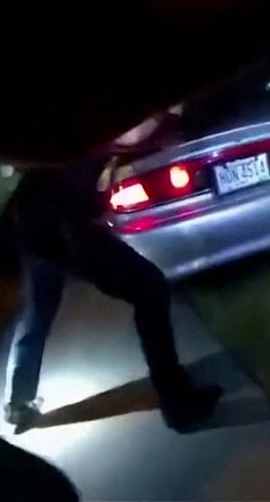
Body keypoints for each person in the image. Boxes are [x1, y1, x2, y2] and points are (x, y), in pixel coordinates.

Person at [2, 107, 221, 434]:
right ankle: (179, 406)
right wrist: (168, 114)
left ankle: (19, 402)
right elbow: (128, 135)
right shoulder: (102, 119)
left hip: (36, 223)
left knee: (40, 308)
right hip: (61, 228)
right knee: (150, 289)